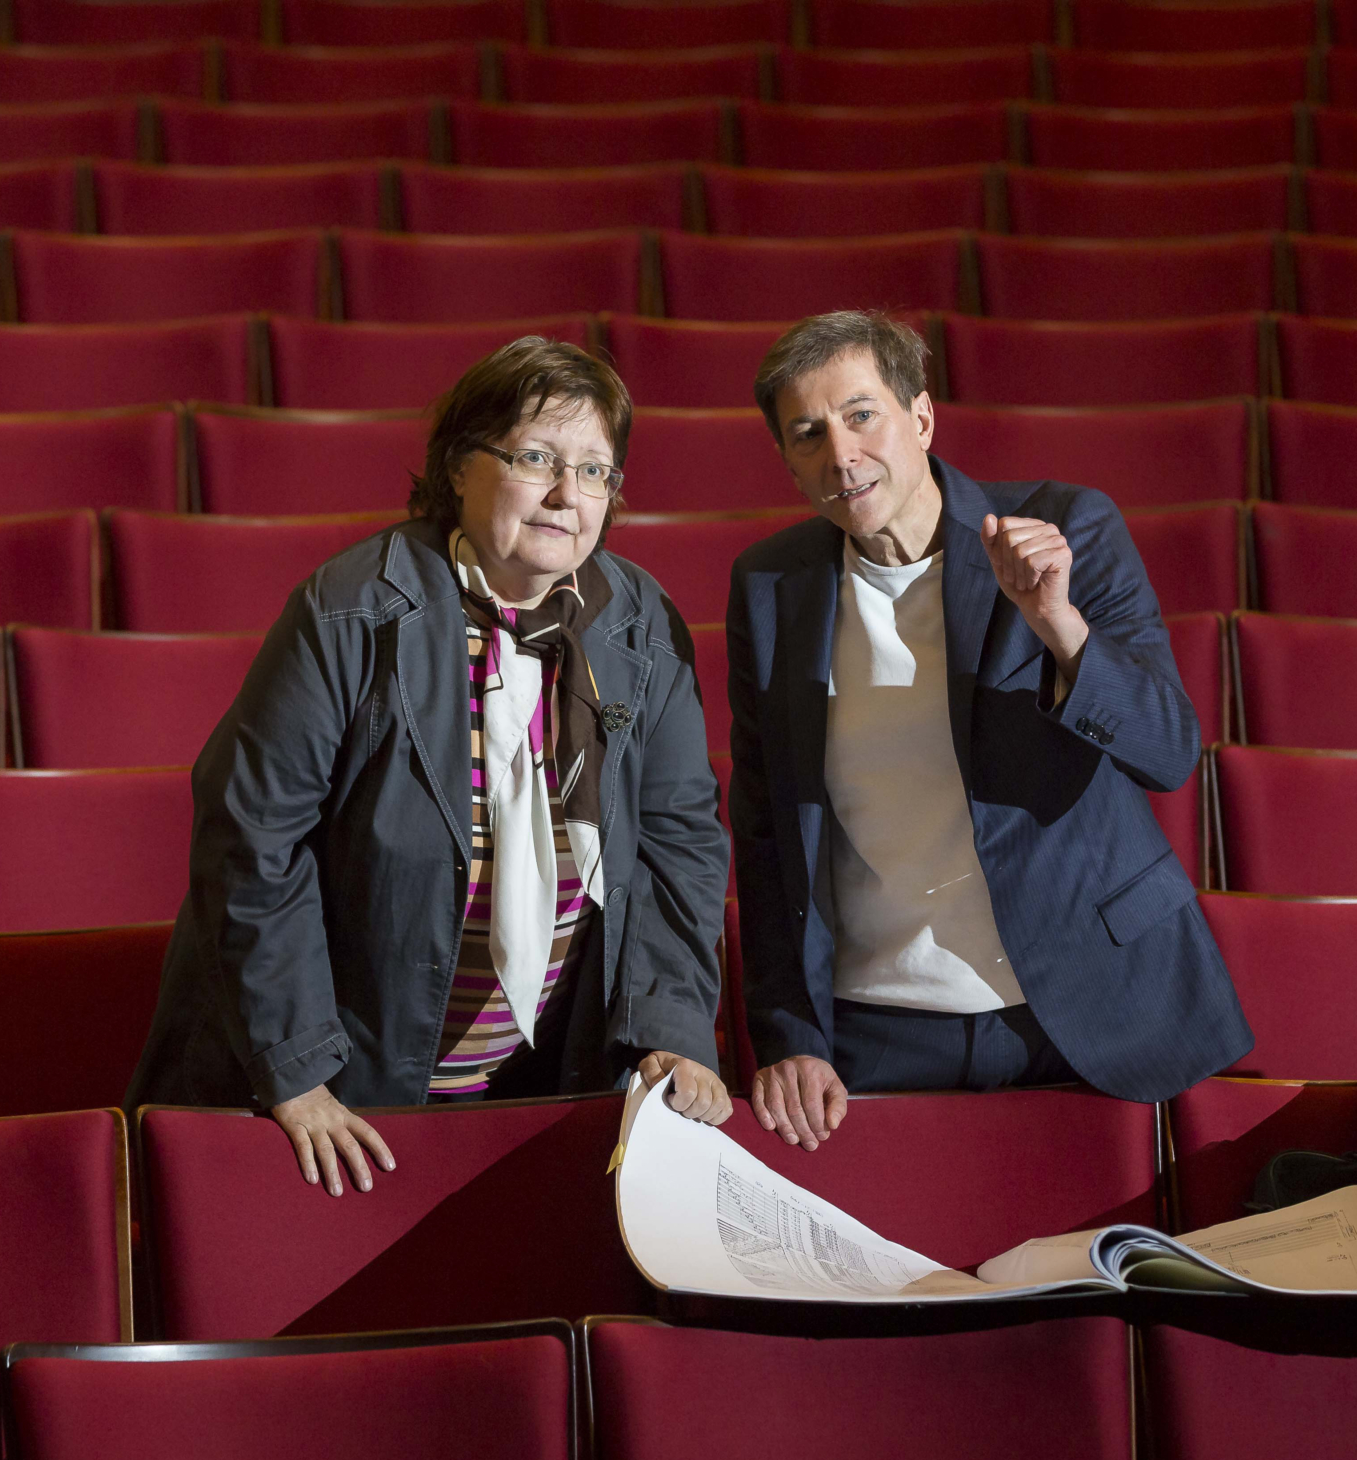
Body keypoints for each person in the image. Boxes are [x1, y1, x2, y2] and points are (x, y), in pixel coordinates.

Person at [129, 336, 731, 1195]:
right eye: (537, 458)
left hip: (545, 1091)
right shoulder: (348, 610)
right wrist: (297, 1074)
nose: (569, 495)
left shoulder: (641, 624)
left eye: (595, 471)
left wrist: (670, 1028)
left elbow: (681, 843)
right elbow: (251, 840)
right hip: (345, 1099)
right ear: (458, 467)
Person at [725, 310, 1252, 1150]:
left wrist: (1059, 626)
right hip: (880, 1029)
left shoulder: (1067, 527)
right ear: (789, 462)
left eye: (862, 415)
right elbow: (764, 832)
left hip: (1088, 1002)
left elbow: (1168, 750)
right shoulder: (770, 586)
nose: (841, 452)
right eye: (807, 432)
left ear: (922, 417)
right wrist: (790, 1031)